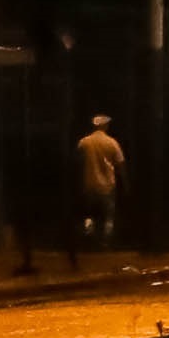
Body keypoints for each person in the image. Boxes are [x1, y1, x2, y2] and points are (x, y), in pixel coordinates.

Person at [70, 110, 127, 267]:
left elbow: (77, 163)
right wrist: (125, 183)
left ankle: (88, 237)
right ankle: (105, 242)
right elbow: (121, 165)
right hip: (108, 186)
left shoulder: (84, 142)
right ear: (106, 126)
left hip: (88, 184)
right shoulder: (112, 143)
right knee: (108, 216)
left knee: (89, 214)